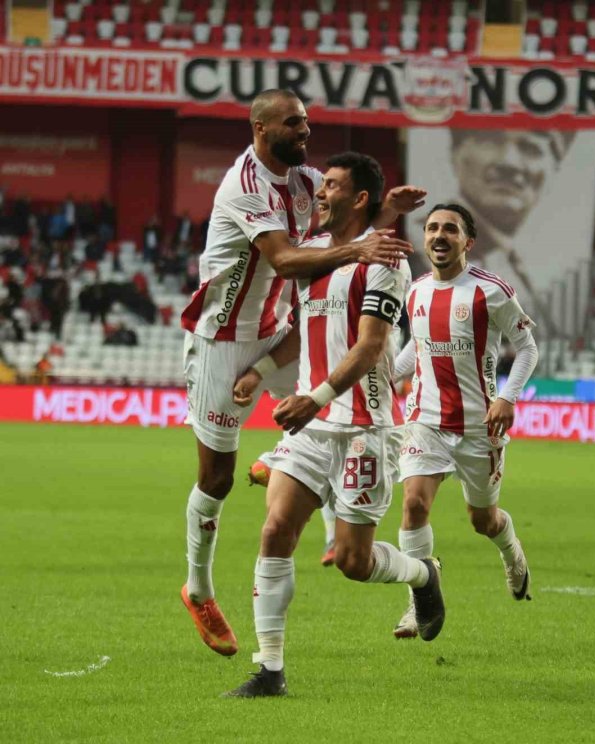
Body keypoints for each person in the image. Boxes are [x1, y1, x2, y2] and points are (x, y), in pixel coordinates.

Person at [179, 89, 425, 658]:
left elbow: (344, 218)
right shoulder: (244, 186)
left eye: (309, 122)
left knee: (332, 399)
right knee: (216, 480)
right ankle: (198, 589)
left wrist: (385, 212)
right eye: (295, 123)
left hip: (277, 329)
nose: (306, 131)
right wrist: (360, 248)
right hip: (221, 338)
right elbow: (287, 260)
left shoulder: (304, 178)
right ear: (261, 129)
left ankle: (312, 492)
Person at [223, 152, 443, 698]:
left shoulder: (387, 260)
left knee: (352, 561)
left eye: (333, 187)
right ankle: (269, 670)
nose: (319, 194)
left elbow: (371, 348)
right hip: (312, 426)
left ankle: (422, 574)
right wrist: (262, 369)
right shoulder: (315, 255)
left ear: (360, 198)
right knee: (275, 532)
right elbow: (305, 333)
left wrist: (314, 397)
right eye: (321, 185)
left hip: (365, 427)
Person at [390, 203, 539, 640]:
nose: (439, 235)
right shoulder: (415, 291)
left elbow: (528, 348)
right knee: (414, 503)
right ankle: (419, 601)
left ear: (467, 242)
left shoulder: (491, 291)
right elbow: (413, 350)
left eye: (449, 229)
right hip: (425, 420)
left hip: (479, 427)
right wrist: (380, 374)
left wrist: (508, 397)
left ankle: (512, 554)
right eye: (432, 227)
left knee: (483, 519)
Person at [412, 129, 574, 334]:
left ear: (554, 170)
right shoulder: (420, 246)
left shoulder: (523, 264)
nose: (509, 162)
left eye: (531, 148)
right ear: (455, 155)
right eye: (489, 141)